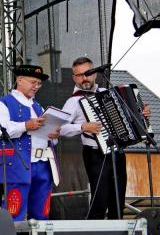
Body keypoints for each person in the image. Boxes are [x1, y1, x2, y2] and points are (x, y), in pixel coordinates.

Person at [60, 56, 151, 219]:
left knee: (117, 200)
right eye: (79, 75)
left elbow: (130, 115)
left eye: (88, 73)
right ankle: (95, 233)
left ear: (95, 74)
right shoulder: (73, 101)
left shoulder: (108, 93)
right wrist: (82, 127)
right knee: (99, 200)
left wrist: (141, 114)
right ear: (74, 78)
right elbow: (60, 129)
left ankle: (117, 230)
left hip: (117, 152)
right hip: (95, 154)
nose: (84, 78)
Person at [0, 64, 59, 221]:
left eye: (39, 84)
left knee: (42, 213)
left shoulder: (38, 106)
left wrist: (53, 135)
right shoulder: (4, 103)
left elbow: (46, 137)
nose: (36, 86)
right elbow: (0, 130)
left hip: (43, 163)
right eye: (33, 82)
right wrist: (25, 125)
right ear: (20, 80)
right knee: (14, 212)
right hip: (19, 162)